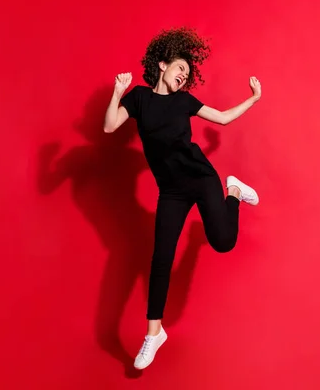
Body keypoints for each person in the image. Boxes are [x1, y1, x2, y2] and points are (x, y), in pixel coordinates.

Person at [103, 27, 261, 370]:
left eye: (187, 74)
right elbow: (109, 126)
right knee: (161, 257)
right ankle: (154, 333)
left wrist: (253, 99)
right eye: (180, 69)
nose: (183, 77)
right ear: (162, 64)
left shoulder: (185, 101)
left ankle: (232, 190)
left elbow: (221, 118)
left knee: (222, 242)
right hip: (171, 191)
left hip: (201, 178)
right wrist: (117, 93)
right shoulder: (139, 99)